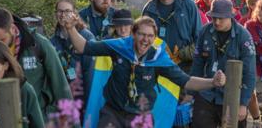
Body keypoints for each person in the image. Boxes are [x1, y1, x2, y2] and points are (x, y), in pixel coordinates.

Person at [65, 16, 226, 127]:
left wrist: (212, 82)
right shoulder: (120, 47)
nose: (145, 39)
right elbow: (84, 47)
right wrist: (71, 28)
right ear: (134, 34)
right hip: (113, 113)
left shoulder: (158, 58)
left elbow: (187, 81)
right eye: (142, 34)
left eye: (150, 36)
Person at [0, 7, 72, 118]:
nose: (0, 46)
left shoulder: (38, 44)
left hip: (40, 117)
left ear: (12, 28)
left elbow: (61, 86)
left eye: (2, 40)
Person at [191, 0, 256, 128]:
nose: (216, 22)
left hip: (233, 95)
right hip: (207, 93)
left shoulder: (243, 37)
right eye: (214, 18)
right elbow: (197, 64)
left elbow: (249, 73)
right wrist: (190, 93)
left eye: (221, 18)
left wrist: (243, 104)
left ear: (230, 17)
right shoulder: (205, 32)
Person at [142, 0, 202, 70]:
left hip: (185, 67)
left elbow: (200, 38)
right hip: (158, 66)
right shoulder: (149, 10)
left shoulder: (189, 5)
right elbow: (142, 40)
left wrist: (184, 54)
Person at [51, 0, 95, 104]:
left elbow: (90, 73)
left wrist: (88, 104)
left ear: (74, 13)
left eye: (67, 11)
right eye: (60, 11)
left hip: (82, 95)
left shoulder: (86, 36)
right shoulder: (52, 41)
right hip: (62, 97)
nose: (63, 15)